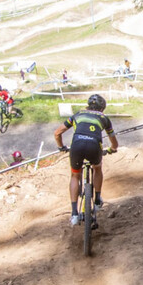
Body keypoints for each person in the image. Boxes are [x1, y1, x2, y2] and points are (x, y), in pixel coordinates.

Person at [53, 93, 118, 226]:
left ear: (88, 105)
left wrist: (61, 147)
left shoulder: (77, 115)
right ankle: (98, 199)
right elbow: (114, 142)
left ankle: (74, 214)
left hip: (77, 146)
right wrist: (112, 149)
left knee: (75, 175)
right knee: (97, 168)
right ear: (102, 108)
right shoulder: (104, 118)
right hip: (94, 146)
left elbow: (57, 133)